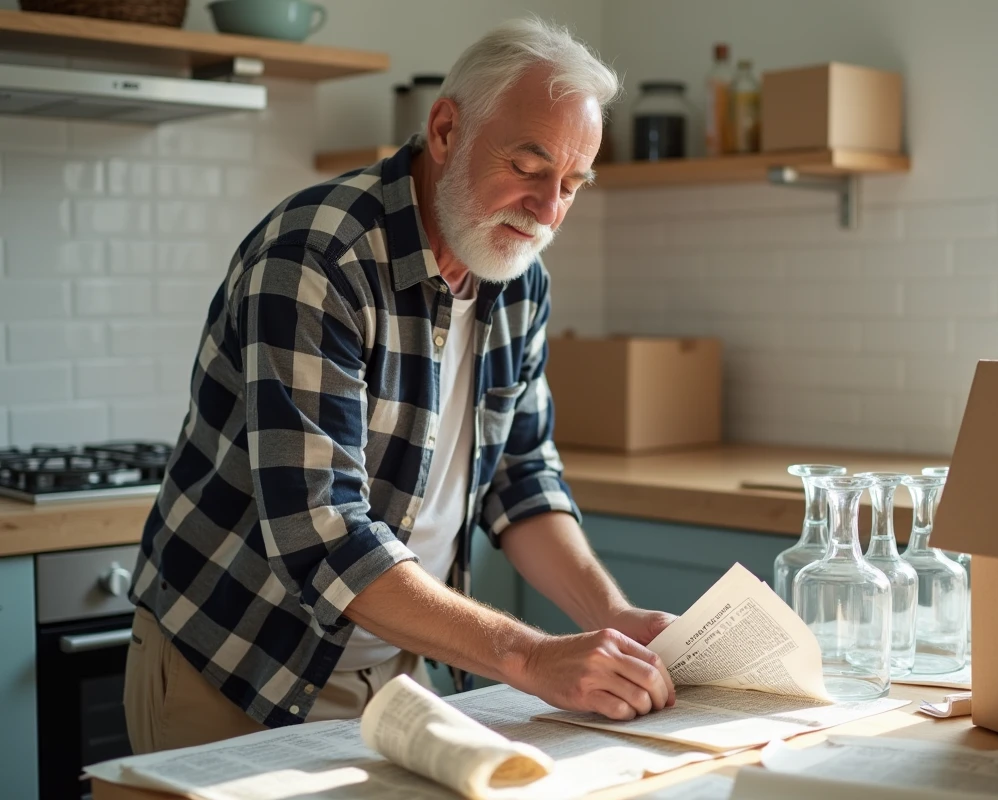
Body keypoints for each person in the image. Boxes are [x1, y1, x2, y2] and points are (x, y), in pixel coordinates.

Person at [123, 16, 677, 754]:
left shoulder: (518, 279)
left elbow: (520, 479)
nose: (547, 213)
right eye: (529, 166)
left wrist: (615, 616)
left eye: (571, 186)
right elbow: (325, 535)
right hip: (235, 669)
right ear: (445, 130)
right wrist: (532, 658)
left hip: (395, 672)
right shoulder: (318, 257)